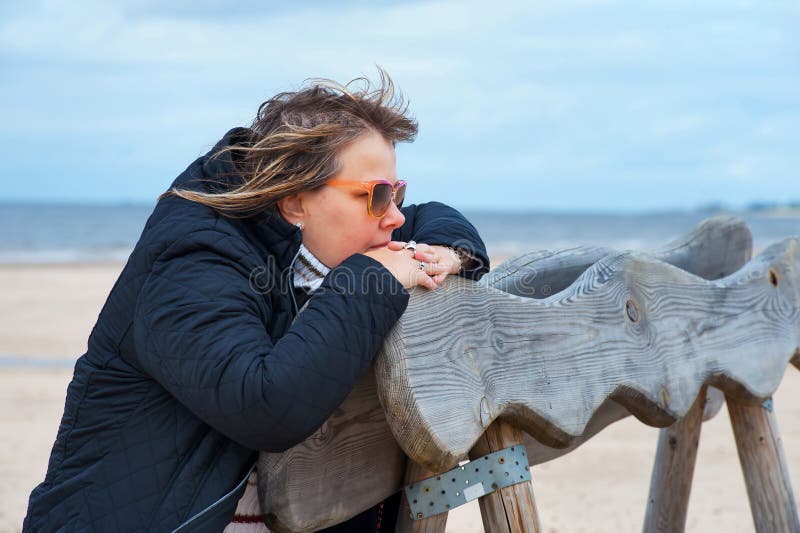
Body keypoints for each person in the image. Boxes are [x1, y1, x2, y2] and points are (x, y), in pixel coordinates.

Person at [24, 71, 489, 532]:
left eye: (397, 191)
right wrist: (373, 277)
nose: (396, 216)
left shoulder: (323, 235)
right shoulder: (192, 261)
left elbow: (434, 217)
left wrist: (447, 254)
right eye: (377, 196)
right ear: (294, 202)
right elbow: (266, 404)